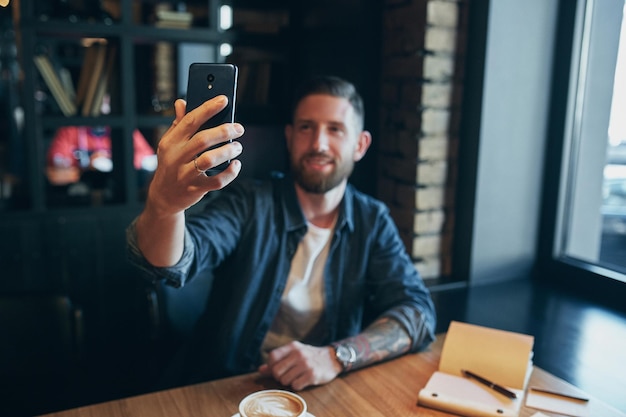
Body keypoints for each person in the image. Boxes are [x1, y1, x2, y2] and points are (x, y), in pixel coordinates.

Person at [127, 76, 436, 391]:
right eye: (306, 127)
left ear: (360, 145)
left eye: (335, 129)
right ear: (289, 137)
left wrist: (336, 356)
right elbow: (174, 261)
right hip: (230, 387)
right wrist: (164, 207)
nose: (318, 144)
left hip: (321, 392)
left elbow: (418, 312)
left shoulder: (372, 221)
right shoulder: (250, 202)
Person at [46, 125, 156, 186]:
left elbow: (146, 155)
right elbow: (56, 167)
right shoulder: (71, 129)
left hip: (117, 187)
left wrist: (114, 160)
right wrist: (87, 165)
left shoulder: (120, 125)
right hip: (82, 190)